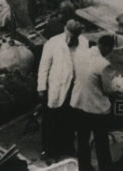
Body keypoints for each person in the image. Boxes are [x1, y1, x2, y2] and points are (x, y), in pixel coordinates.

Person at [71, 34, 123, 171]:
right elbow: (107, 89)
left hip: (78, 101)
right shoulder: (103, 64)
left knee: (82, 139)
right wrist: (119, 88)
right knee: (101, 140)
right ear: (107, 47)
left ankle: (84, 168)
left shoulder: (80, 55)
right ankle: (106, 169)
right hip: (95, 107)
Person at [37, 19, 88, 161]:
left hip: (74, 87)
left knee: (70, 117)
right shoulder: (53, 43)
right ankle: (48, 150)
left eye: (73, 37)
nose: (69, 39)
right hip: (56, 87)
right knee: (51, 119)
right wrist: (42, 87)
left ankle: (67, 147)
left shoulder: (84, 42)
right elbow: (44, 66)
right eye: (68, 35)